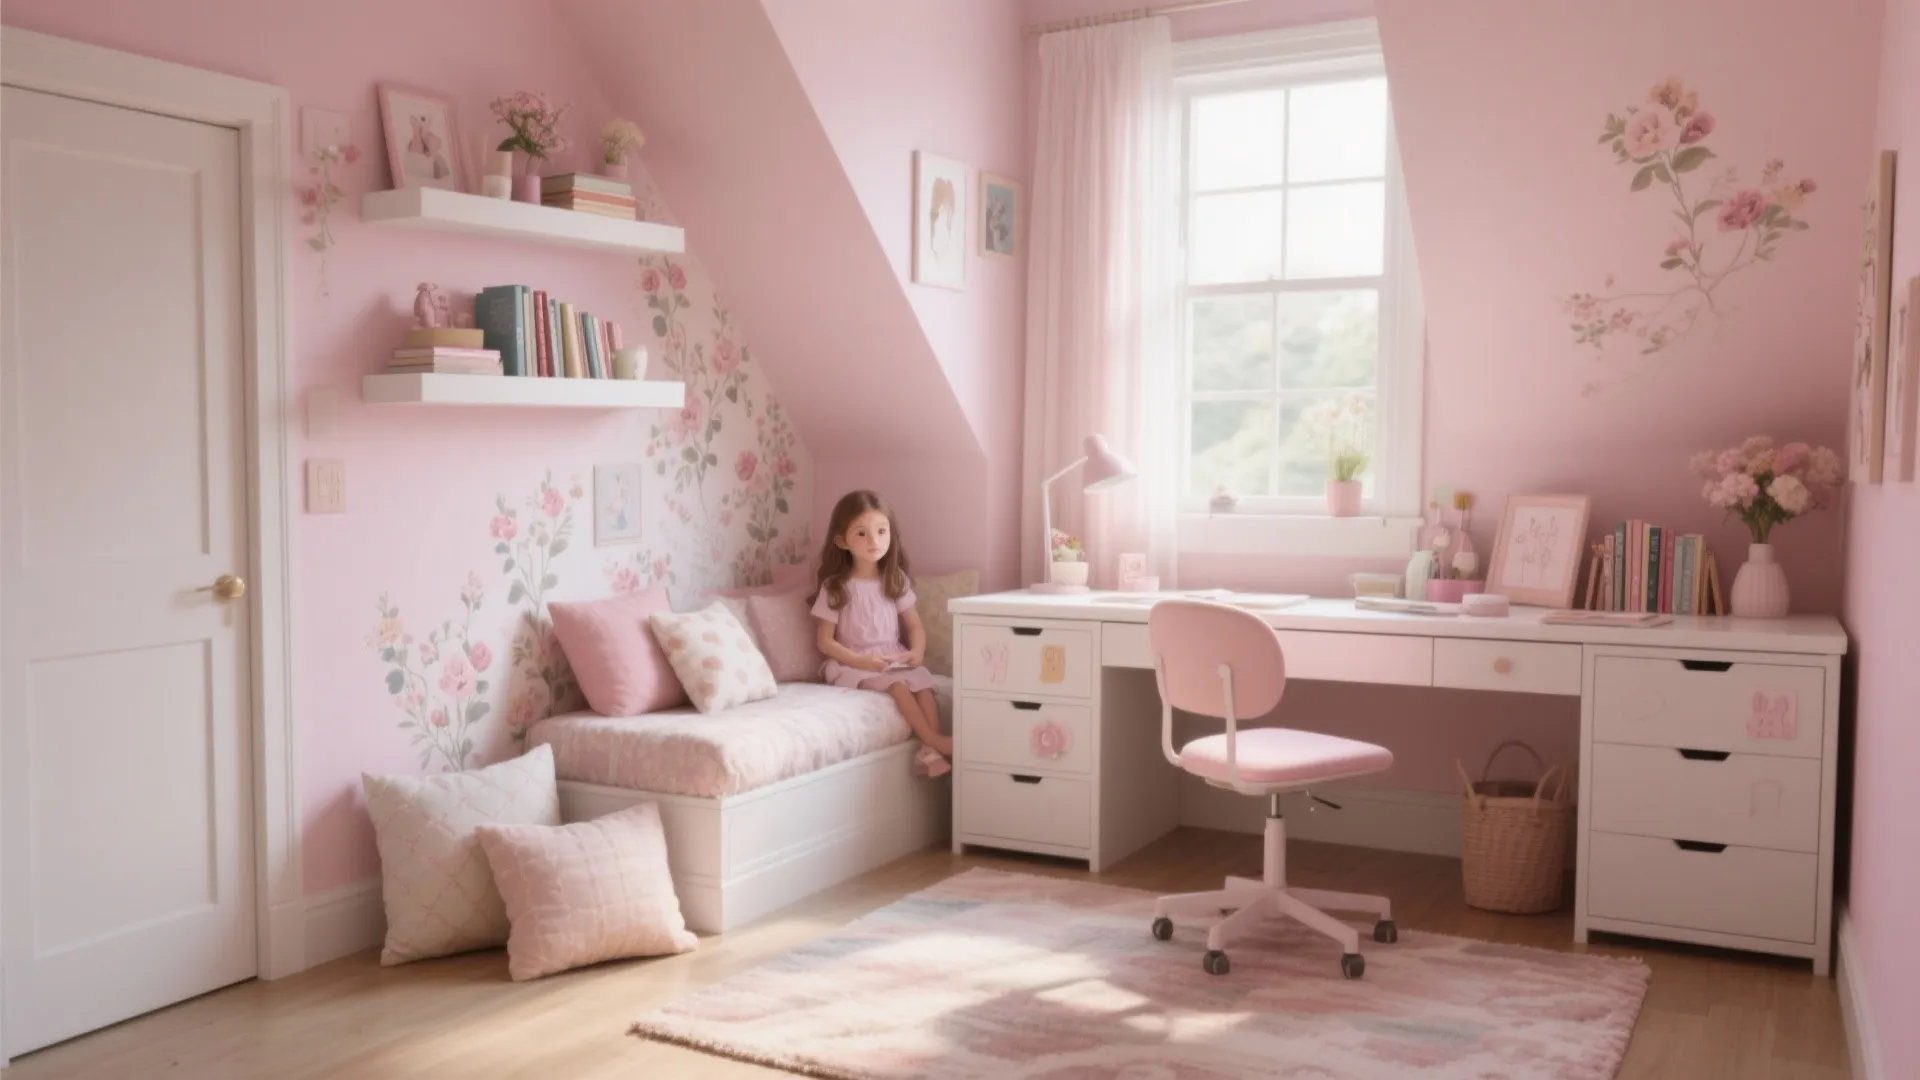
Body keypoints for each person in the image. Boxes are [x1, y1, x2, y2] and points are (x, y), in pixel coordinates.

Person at [811, 490, 952, 777]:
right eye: (861, 533)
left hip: (890, 657)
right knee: (898, 687)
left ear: (891, 533)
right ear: (842, 541)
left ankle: (929, 752)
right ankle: (934, 740)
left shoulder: (894, 580)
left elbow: (915, 626)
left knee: (923, 683)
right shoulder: (836, 587)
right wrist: (860, 662)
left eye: (881, 531)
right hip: (853, 662)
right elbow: (824, 641)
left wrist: (917, 651)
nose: (873, 541)